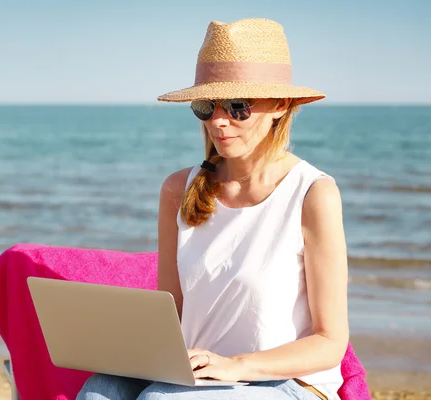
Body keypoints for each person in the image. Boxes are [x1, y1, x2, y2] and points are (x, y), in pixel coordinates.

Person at [77, 18, 348, 400]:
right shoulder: (178, 188)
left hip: (287, 383)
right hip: (198, 373)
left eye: (238, 106)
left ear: (281, 105)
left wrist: (236, 365)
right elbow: (169, 313)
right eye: (207, 105)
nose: (219, 120)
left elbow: (329, 342)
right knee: (99, 391)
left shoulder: (312, 194)